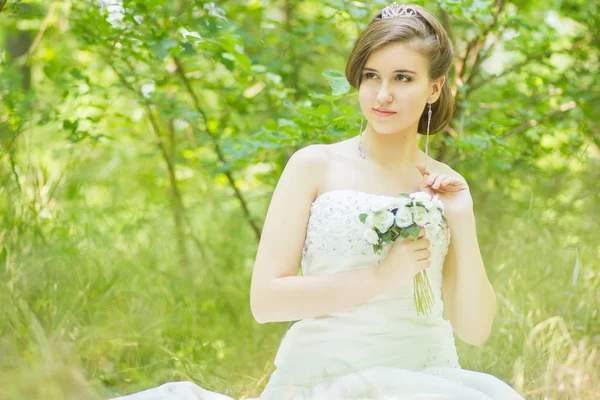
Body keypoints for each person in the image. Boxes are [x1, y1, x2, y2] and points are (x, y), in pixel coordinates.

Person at [111, 3, 526, 399]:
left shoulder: (446, 187)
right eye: (370, 76)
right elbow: (266, 302)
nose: (382, 95)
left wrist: (462, 218)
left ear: (434, 88)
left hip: (426, 380)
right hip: (320, 381)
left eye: (403, 78)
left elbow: (475, 330)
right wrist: (381, 278)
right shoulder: (314, 165)